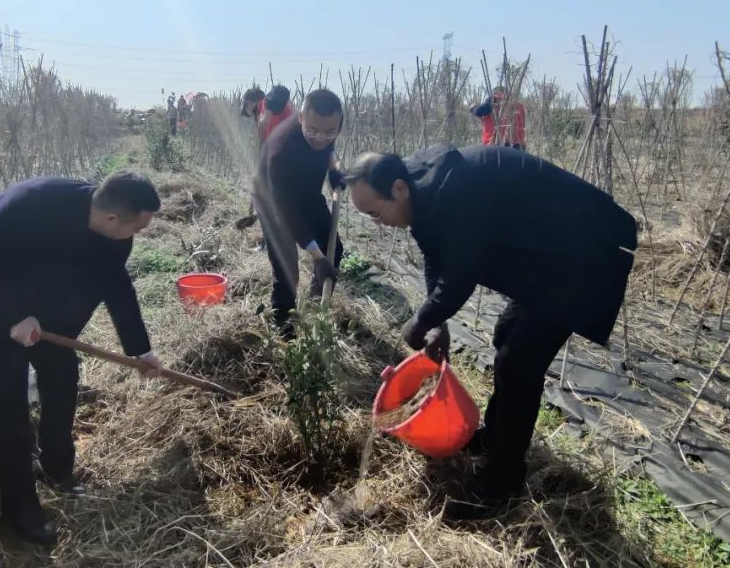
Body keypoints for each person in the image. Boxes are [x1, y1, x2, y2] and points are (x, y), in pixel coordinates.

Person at [343, 145, 637, 519]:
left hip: (581, 253)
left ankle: (502, 483)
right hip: (546, 254)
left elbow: (461, 271)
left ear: (398, 189)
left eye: (374, 212)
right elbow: (436, 254)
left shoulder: (453, 191)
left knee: (519, 360)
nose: (376, 222)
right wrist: (436, 322)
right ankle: (498, 439)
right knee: (507, 335)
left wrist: (420, 322)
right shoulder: (420, 187)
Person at [0, 171, 164, 544]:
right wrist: (10, 316)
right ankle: (19, 512)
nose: (137, 236)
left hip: (39, 304)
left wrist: (140, 349)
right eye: (137, 228)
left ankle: (56, 468)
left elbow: (116, 284)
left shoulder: (113, 235)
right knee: (9, 405)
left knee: (62, 377)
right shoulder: (36, 204)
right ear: (111, 219)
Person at [251, 88, 346, 336]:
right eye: (313, 130)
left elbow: (329, 148)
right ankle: (285, 330)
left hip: (307, 195)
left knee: (333, 247)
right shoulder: (280, 150)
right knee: (286, 271)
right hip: (274, 203)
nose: (320, 138)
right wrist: (316, 257)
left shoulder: (326, 127)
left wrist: (335, 168)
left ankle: (316, 306)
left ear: (338, 123)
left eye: (329, 132)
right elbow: (287, 213)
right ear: (301, 118)